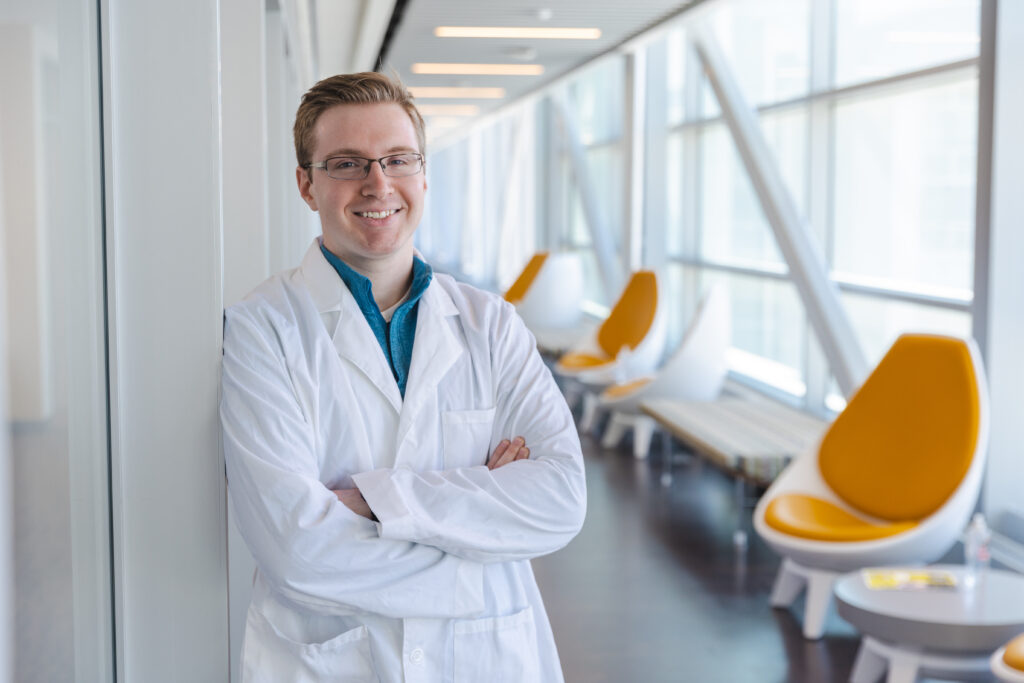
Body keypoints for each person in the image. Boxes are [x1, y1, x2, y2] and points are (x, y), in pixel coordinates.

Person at [220, 72, 587, 682]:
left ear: (422, 174)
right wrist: (482, 537)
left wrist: (371, 502)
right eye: (347, 163)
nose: (378, 183)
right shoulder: (264, 330)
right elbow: (299, 552)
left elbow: (560, 502)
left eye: (397, 159)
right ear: (307, 185)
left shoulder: (490, 325)